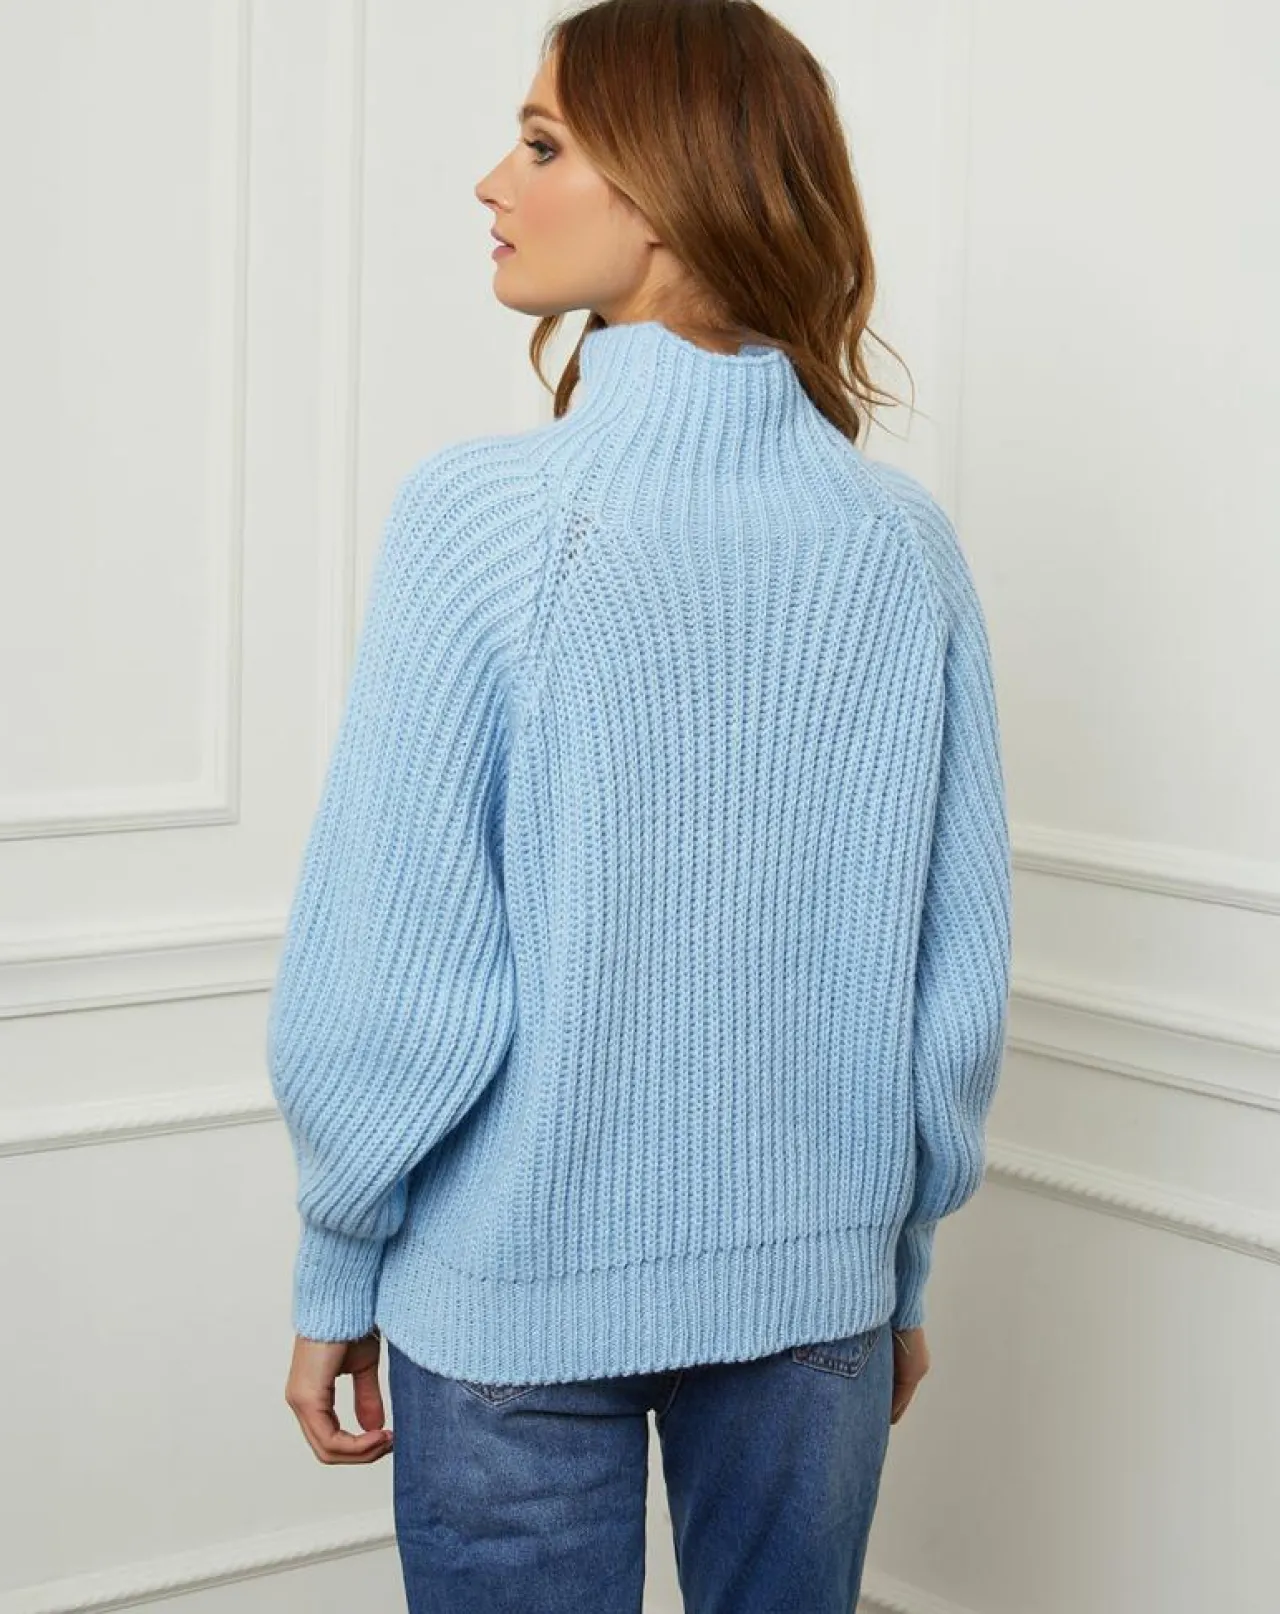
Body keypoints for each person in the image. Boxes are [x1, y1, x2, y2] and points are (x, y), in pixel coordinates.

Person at [268, 1, 1012, 1609]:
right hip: (818, 1290)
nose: (492, 181)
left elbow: (396, 958)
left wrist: (338, 1251)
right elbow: (951, 989)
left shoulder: (484, 520)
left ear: (670, 185)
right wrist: (894, 1266)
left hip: (507, 1291)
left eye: (541, 143)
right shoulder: (902, 548)